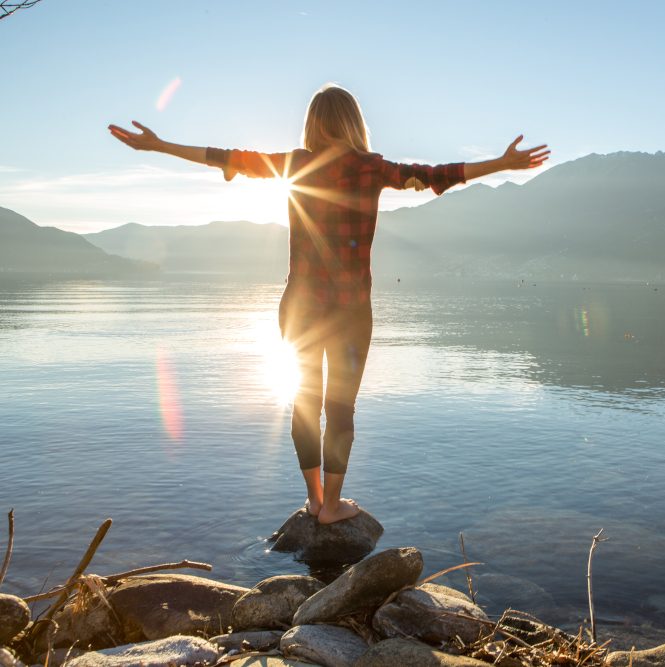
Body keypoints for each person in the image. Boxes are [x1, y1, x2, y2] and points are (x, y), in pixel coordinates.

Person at [109, 83, 549, 524]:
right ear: (355, 122)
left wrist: (159, 145)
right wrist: (502, 163)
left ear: (313, 123)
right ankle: (333, 506)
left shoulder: (295, 165)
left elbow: (225, 157)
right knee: (340, 408)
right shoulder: (372, 168)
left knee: (304, 401)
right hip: (351, 309)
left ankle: (315, 499)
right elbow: (437, 175)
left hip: (299, 305)